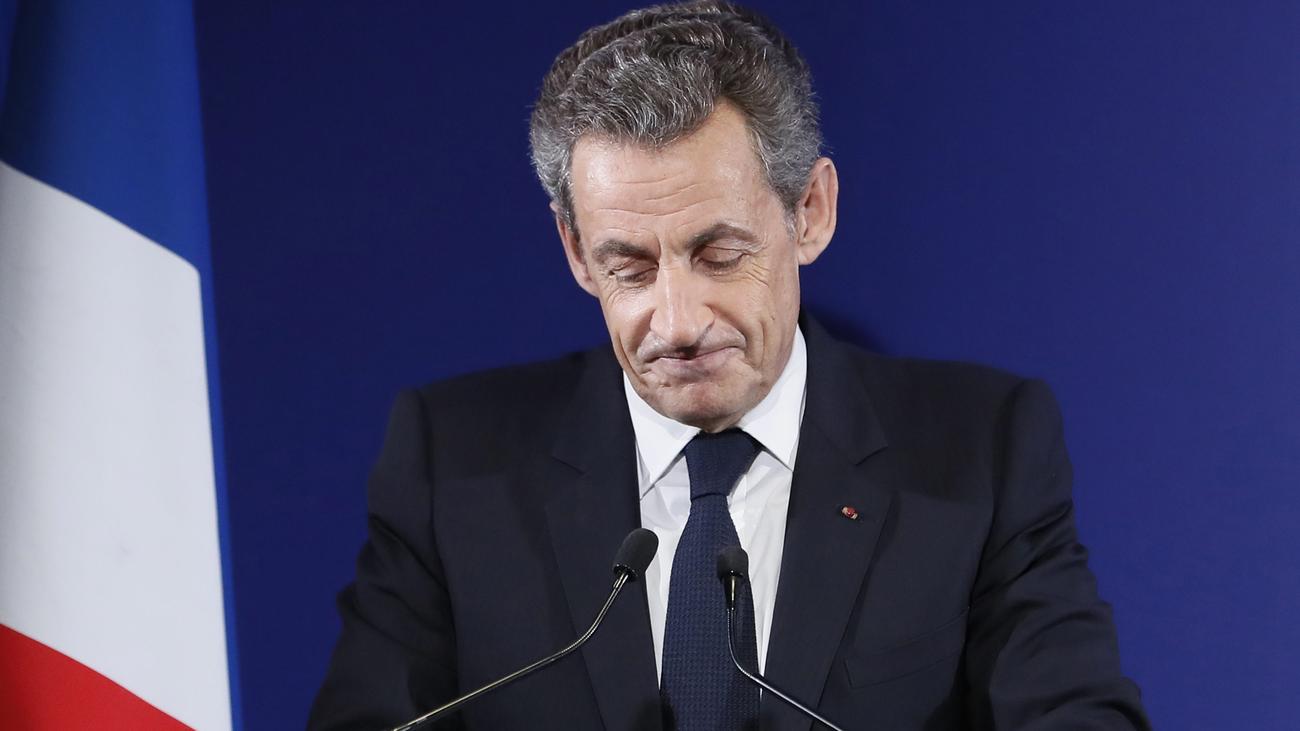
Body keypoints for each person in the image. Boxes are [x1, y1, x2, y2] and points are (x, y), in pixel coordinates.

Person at [308, 2, 1149, 729]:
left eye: (718, 255)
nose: (677, 323)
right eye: (630, 267)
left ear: (810, 211)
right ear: (574, 249)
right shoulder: (450, 465)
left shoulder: (980, 450)